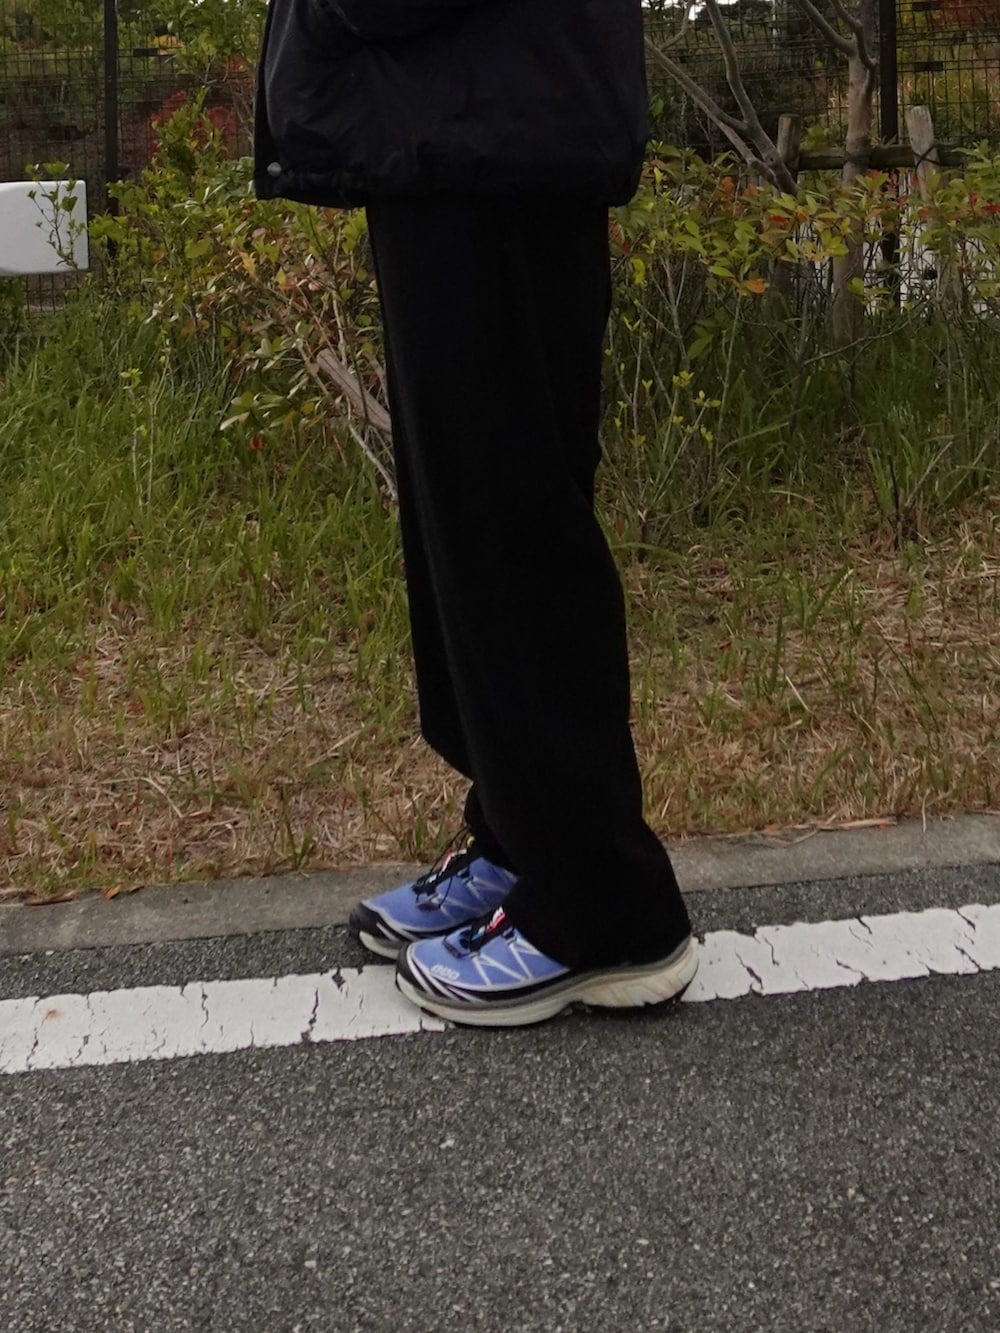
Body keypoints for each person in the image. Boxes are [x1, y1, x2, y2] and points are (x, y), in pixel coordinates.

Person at [254, 0, 697, 1026]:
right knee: (472, 521)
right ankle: (521, 841)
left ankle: (605, 906)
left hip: (496, 142)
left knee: (510, 528)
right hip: (469, 132)